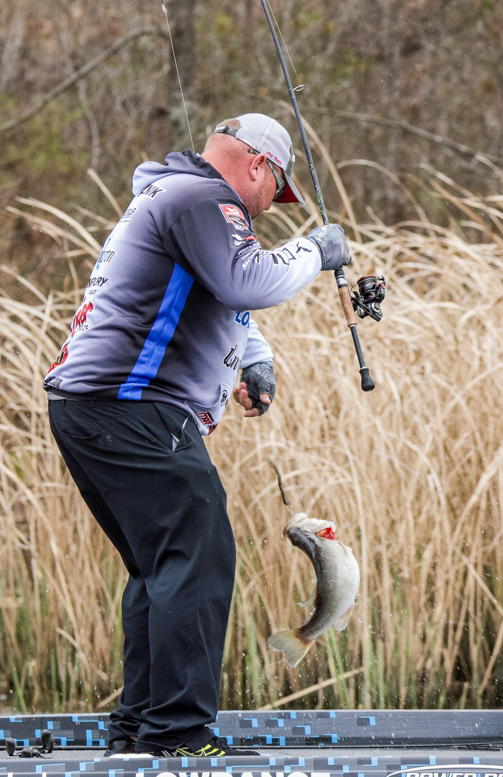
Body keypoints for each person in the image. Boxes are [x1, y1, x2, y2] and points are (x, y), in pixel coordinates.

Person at [42, 113, 352, 758]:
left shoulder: (173, 194)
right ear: (257, 166)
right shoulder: (202, 196)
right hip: (130, 409)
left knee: (160, 568)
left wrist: (254, 360)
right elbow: (248, 280)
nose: (272, 208)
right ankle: (178, 735)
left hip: (99, 411)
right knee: (197, 556)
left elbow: (220, 295)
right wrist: (319, 249)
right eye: (277, 192)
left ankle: (141, 727)